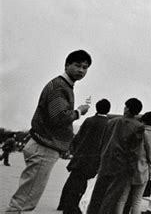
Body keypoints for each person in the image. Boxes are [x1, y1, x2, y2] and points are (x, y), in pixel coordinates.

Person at [5, 50, 92, 212]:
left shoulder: (63, 86)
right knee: (25, 200)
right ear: (66, 65)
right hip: (44, 147)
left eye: (85, 67)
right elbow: (58, 118)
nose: (81, 70)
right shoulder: (60, 87)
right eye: (77, 65)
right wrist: (79, 112)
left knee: (26, 196)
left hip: (42, 145)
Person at [86, 98, 144, 214]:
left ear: (127, 108)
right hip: (122, 167)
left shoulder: (111, 122)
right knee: (111, 197)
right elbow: (134, 151)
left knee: (98, 194)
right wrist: (132, 170)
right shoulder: (138, 127)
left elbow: (102, 143)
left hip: (106, 162)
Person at [57, 98, 111, 214]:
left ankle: (64, 204)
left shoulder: (88, 120)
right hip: (94, 159)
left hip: (81, 156)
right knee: (84, 184)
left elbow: (78, 138)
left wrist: (76, 151)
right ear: (108, 110)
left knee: (72, 181)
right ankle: (75, 206)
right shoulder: (109, 124)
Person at [118, 111, 151, 214]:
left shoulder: (135, 132)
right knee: (137, 201)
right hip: (143, 170)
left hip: (128, 168)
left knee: (122, 199)